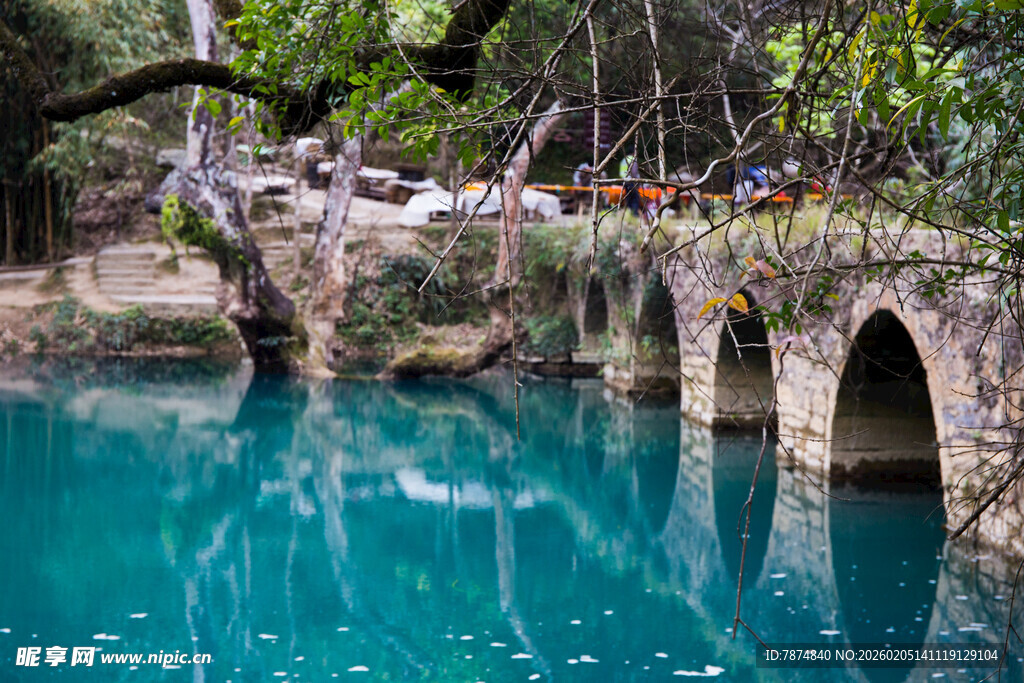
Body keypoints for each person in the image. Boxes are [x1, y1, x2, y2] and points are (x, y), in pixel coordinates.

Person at [619, 150, 641, 215]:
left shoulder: (624, 160)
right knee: (634, 199)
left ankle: (629, 214)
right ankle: (634, 215)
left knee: (628, 198)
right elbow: (634, 173)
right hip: (632, 181)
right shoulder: (632, 159)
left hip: (625, 181)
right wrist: (637, 181)